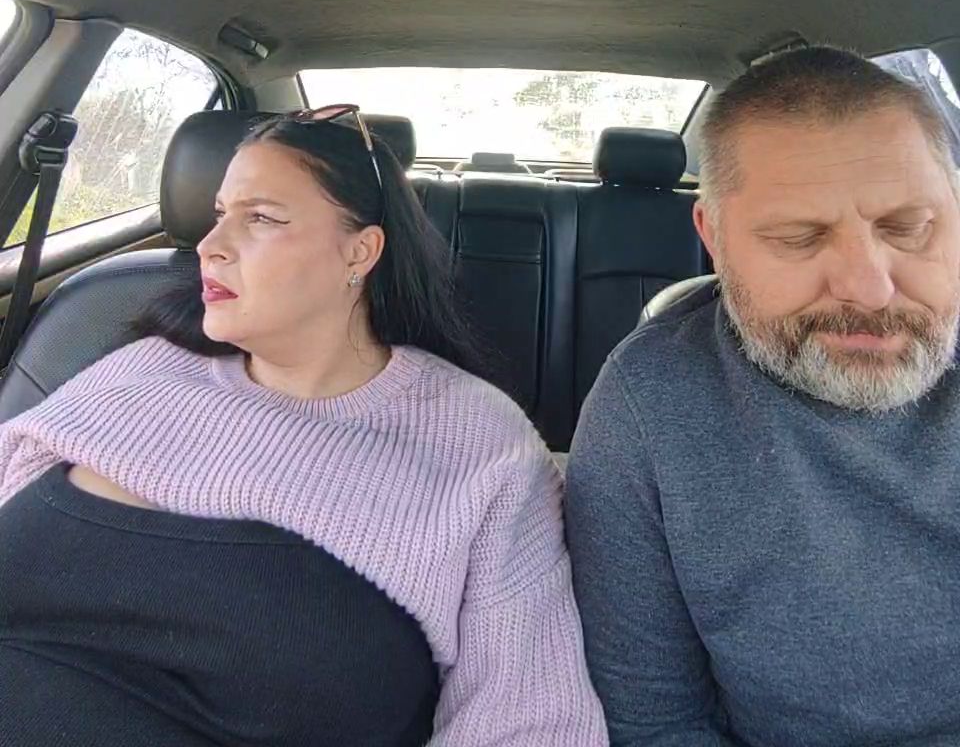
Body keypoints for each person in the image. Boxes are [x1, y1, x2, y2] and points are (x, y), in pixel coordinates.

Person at [0, 106, 607, 747]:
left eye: (261, 218)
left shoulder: (481, 446)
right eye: (219, 214)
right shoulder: (140, 368)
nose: (211, 245)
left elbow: (528, 717)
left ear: (360, 251)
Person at [565, 47, 960, 747]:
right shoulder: (648, 406)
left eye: (908, 228)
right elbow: (656, 720)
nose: (869, 288)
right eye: (799, 239)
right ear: (713, 238)